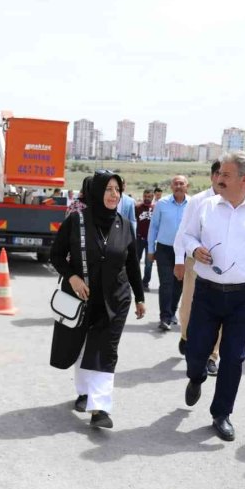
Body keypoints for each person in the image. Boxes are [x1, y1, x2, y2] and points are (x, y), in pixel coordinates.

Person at [178, 152, 245, 441]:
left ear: (244, 179)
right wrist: (193, 250)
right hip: (207, 292)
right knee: (196, 349)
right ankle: (196, 376)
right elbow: (186, 236)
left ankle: (221, 413)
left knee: (234, 357)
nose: (219, 179)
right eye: (218, 174)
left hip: (244, 296)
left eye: (225, 175)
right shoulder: (205, 207)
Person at [49, 170, 146, 429]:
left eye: (118, 190)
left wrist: (139, 297)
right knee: (82, 346)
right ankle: (84, 392)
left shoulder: (125, 225)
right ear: (97, 192)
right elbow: (56, 255)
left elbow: (132, 264)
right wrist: (72, 277)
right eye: (109, 189)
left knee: (106, 349)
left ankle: (100, 408)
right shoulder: (76, 221)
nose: (114, 195)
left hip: (116, 299)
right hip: (83, 296)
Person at [174, 160, 223, 375]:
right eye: (220, 174)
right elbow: (184, 232)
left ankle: (212, 355)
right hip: (195, 261)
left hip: (221, 266)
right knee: (188, 306)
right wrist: (179, 260)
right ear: (212, 176)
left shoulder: (234, 201)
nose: (223, 179)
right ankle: (185, 335)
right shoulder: (198, 201)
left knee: (219, 312)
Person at [148, 175, 190, 331]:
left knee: (179, 283)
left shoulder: (193, 204)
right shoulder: (162, 204)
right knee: (166, 283)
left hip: (185, 251)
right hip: (164, 249)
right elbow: (153, 227)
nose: (178, 186)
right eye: (175, 183)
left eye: (181, 183)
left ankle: (172, 312)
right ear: (171, 186)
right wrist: (151, 249)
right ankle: (164, 317)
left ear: (187, 186)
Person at [135, 188, 155, 291]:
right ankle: (136, 282)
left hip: (151, 241)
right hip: (139, 239)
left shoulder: (156, 208)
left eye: (149, 197)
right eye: (145, 196)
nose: (147, 198)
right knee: (135, 261)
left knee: (149, 263)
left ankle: (145, 283)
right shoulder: (137, 208)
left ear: (153, 197)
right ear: (143, 197)